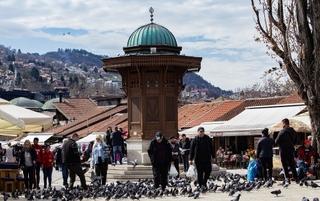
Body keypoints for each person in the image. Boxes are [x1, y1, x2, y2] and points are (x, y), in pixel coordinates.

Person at [275, 118, 299, 184]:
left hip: (283, 150)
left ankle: (287, 178)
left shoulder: (282, 131)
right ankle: (296, 178)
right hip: (291, 149)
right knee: (292, 164)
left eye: (282, 123)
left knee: (284, 164)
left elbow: (276, 141)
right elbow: (297, 140)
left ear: (284, 124)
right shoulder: (293, 131)